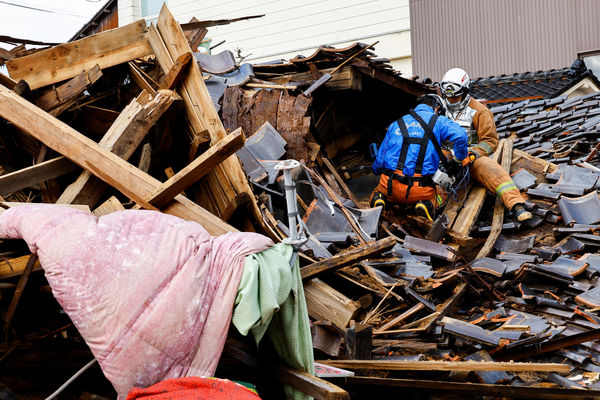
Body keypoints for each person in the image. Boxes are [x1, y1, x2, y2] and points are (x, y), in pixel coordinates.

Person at [440, 67, 532, 222]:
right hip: (446, 156)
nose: (452, 101)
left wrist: (474, 153)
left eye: (455, 97)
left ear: (465, 91)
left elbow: (490, 141)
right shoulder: (439, 109)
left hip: (470, 158)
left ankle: (516, 204)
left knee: (491, 169)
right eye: (448, 98)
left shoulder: (480, 112)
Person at [370, 94, 468, 220]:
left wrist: (377, 171)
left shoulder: (396, 123)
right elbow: (461, 136)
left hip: (390, 187)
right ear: (437, 109)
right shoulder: (438, 121)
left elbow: (380, 159)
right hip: (421, 190)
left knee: (376, 191)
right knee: (443, 193)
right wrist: (457, 161)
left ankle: (380, 199)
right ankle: (428, 205)